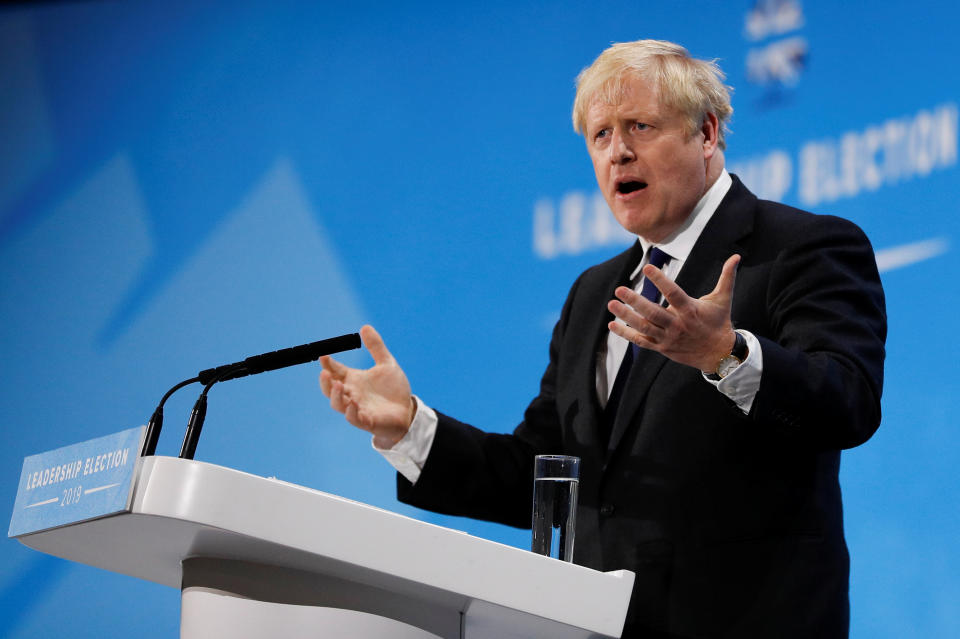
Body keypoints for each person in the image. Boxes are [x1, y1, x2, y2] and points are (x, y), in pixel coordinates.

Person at [319, 39, 886, 638]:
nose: (618, 152)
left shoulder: (800, 247)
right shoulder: (593, 293)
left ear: (708, 133)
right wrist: (409, 428)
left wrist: (726, 356)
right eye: (600, 135)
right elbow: (545, 474)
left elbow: (847, 401)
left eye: (640, 126)